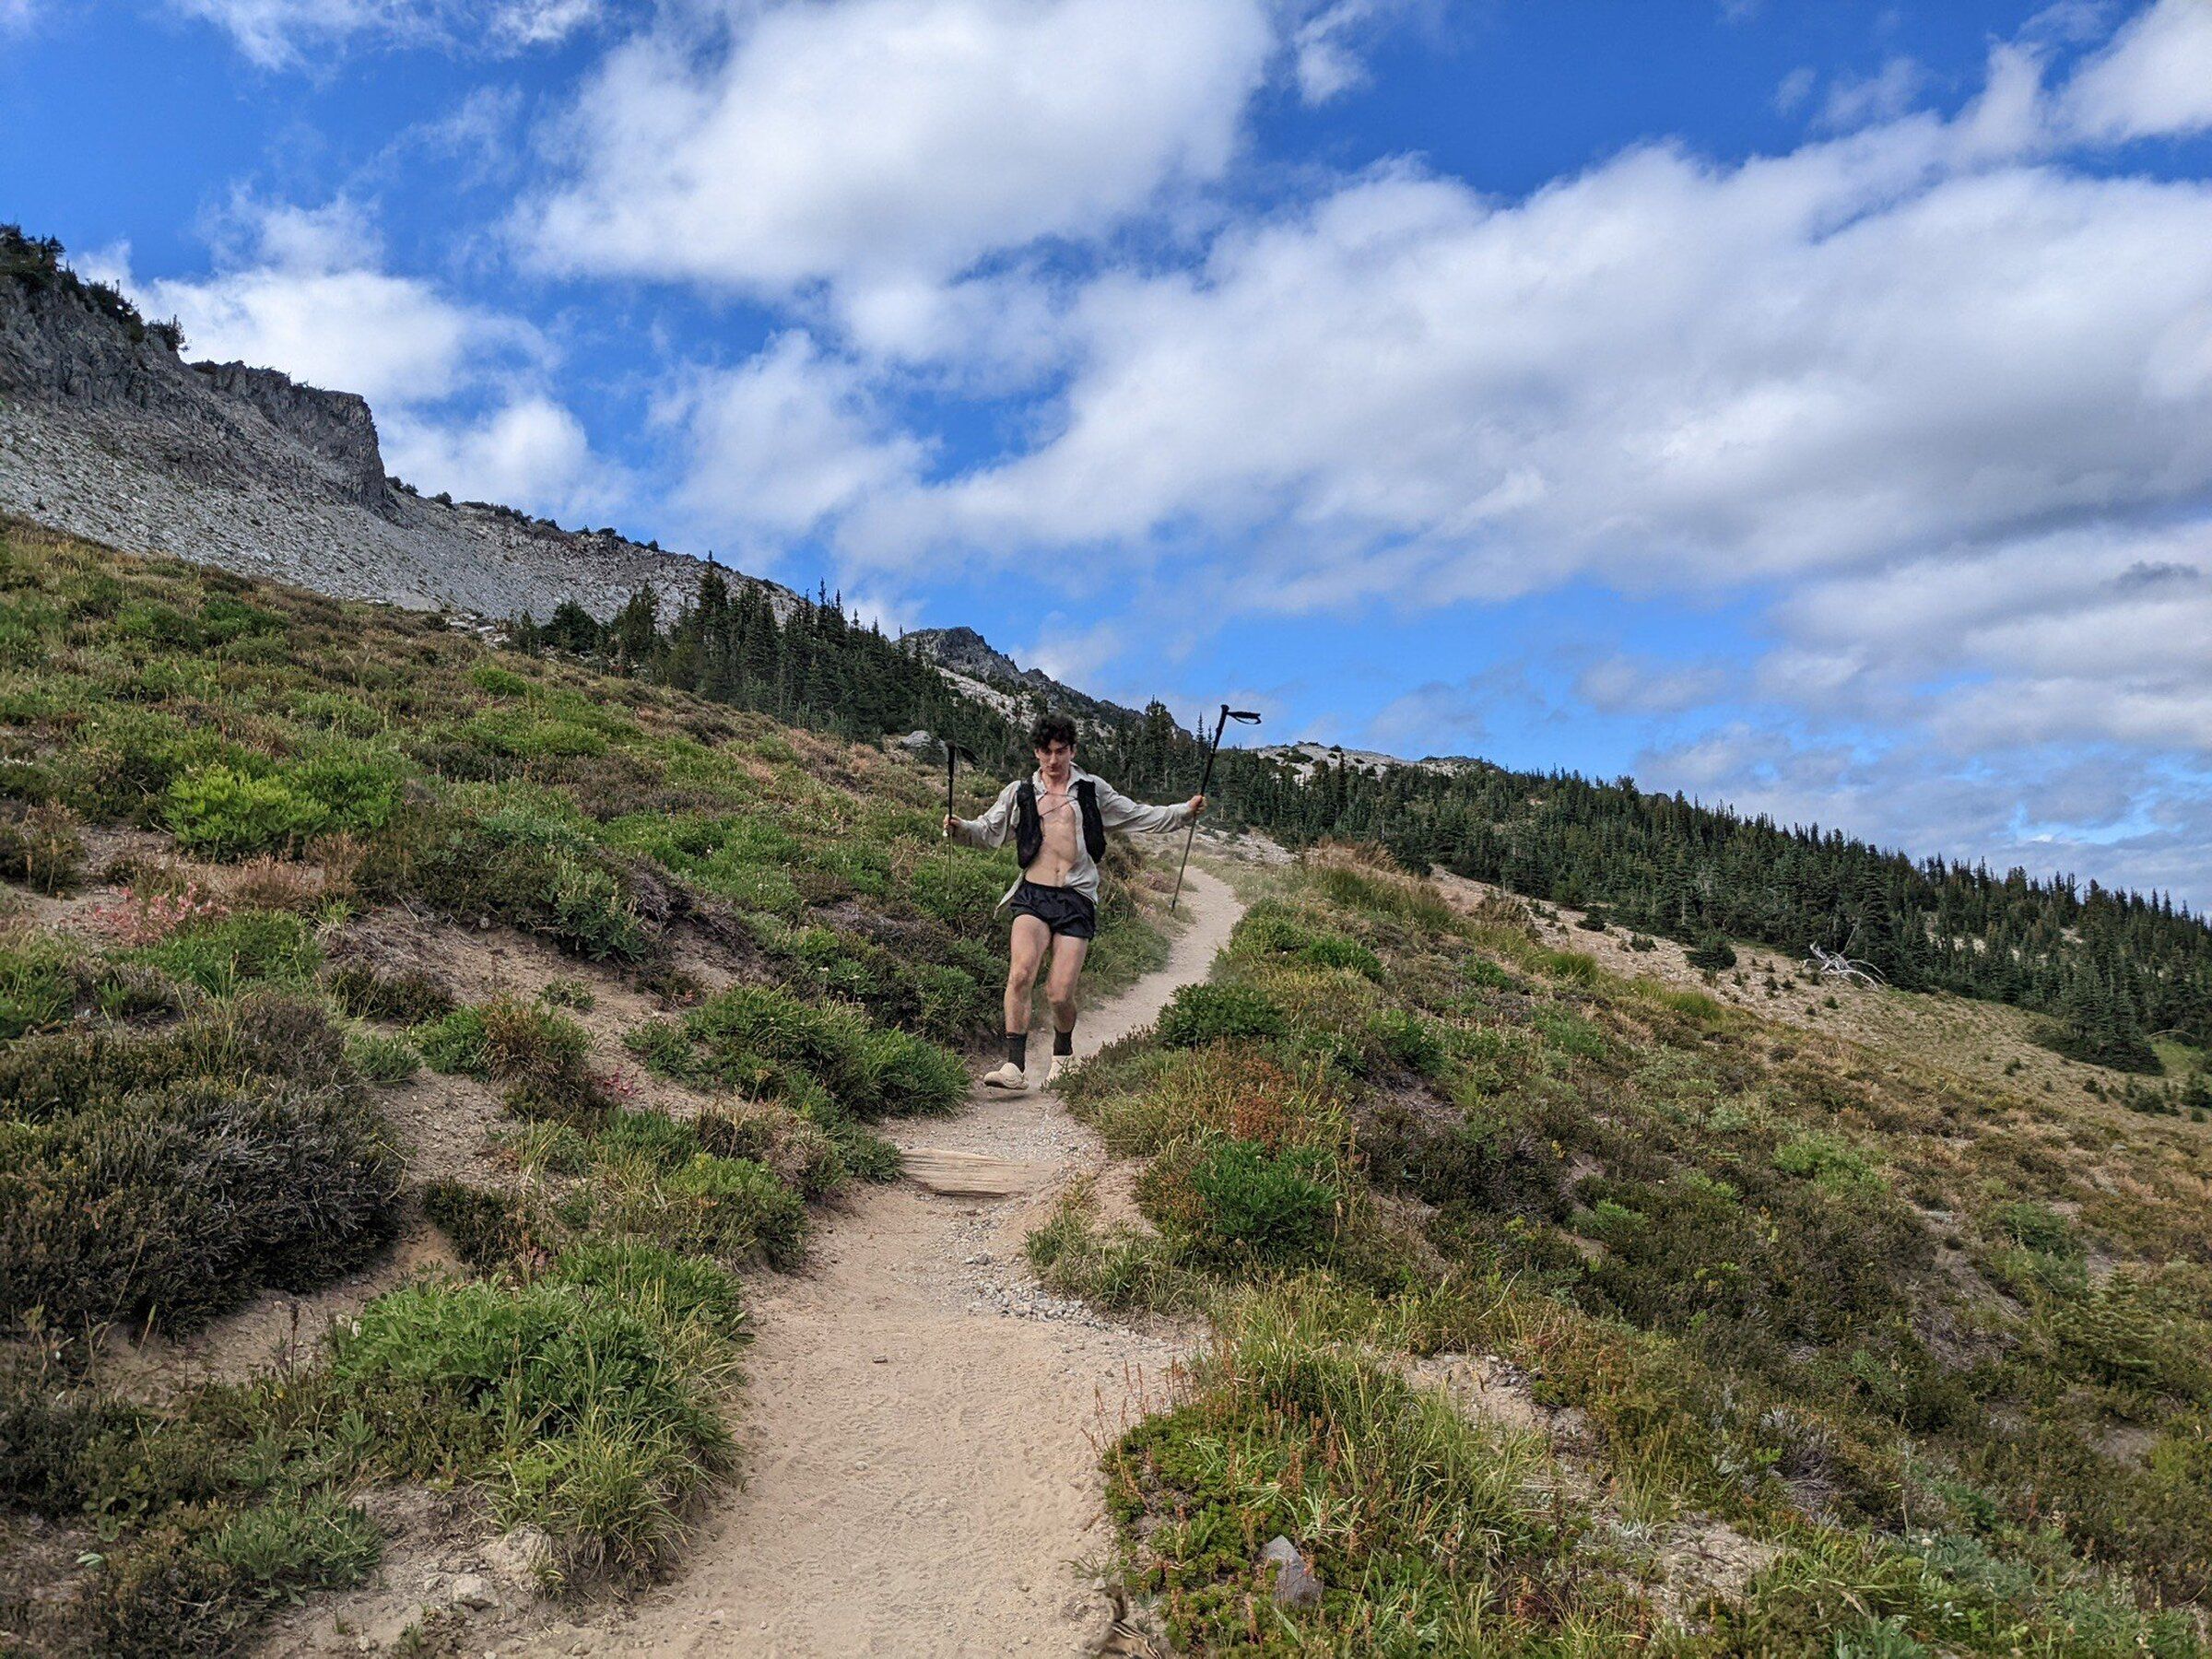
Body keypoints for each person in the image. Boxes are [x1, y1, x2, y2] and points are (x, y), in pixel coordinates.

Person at [945, 712, 1206, 1090]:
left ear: (1073, 750)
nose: (1053, 760)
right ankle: (1013, 1067)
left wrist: (1183, 812)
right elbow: (987, 830)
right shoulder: (1019, 792)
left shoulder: (1091, 789)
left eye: (1061, 751)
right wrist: (961, 828)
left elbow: (1137, 815)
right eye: (1046, 752)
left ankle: (1063, 1055)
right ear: (1036, 752)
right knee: (1020, 975)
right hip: (1032, 894)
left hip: (1076, 897)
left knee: (1059, 992)